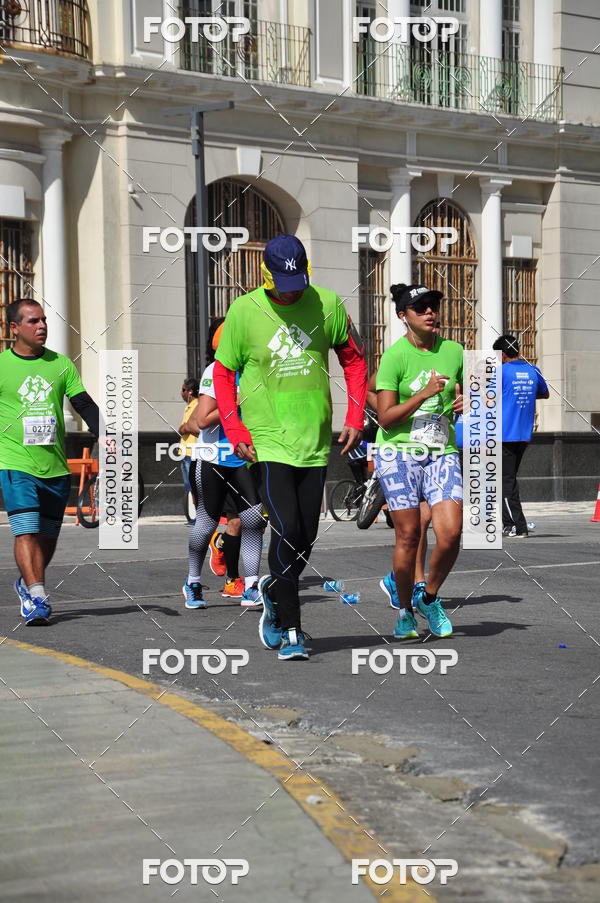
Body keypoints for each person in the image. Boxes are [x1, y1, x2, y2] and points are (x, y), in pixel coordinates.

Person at [213, 233, 367, 661]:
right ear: (266, 276)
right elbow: (223, 375)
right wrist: (235, 430)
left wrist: (355, 417)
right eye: (284, 282)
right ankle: (292, 628)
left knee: (307, 536)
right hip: (267, 443)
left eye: (299, 279)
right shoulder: (244, 312)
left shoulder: (327, 304)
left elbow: (355, 361)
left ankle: (275, 588)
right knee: (285, 528)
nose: (293, 288)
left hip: (315, 441)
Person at [0, 299, 99, 624]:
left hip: (55, 467)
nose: (41, 326)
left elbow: (83, 403)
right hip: (16, 463)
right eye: (33, 321)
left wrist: (108, 434)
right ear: (14, 328)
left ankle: (29, 582)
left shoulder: (61, 364)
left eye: (43, 320)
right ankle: (38, 596)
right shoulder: (2, 366)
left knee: (47, 537)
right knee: (25, 532)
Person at [374, 284, 463, 639]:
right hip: (398, 452)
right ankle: (405, 612)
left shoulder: (454, 351)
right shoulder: (395, 357)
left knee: (452, 533)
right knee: (409, 534)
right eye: (420, 307)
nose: (430, 312)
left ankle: (429, 596)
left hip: (441, 449)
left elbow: (469, 391)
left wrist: (465, 402)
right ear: (403, 316)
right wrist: (424, 394)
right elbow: (386, 417)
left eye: (433, 305)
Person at [183, 318, 265, 609]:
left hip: (244, 456)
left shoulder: (255, 369)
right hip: (213, 458)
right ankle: (193, 581)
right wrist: (239, 400)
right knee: (206, 524)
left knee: (254, 518)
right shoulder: (215, 371)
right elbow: (203, 420)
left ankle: (252, 584)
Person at [492, 334, 549, 538]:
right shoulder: (534, 370)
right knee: (508, 479)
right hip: (524, 433)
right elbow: (545, 393)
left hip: (504, 434)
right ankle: (509, 525)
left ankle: (519, 525)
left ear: (504, 354)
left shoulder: (501, 372)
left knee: (505, 481)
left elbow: (488, 398)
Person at [179, 377, 199, 525]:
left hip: (192, 452)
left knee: (194, 486)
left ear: (190, 391)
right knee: (189, 487)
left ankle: (199, 517)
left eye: (183, 390)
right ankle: (196, 517)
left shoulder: (197, 405)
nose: (182, 392)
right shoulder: (189, 406)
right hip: (185, 452)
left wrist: (185, 427)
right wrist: (185, 427)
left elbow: (190, 427)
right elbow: (182, 428)